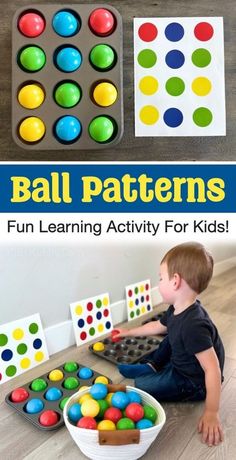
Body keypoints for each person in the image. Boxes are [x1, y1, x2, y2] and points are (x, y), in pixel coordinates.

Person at [113, 242, 225, 447]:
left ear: (175, 282)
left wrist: (211, 411)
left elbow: (213, 370)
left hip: (193, 380)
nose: (158, 283)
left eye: (160, 278)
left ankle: (158, 372)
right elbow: (158, 326)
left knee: (142, 386)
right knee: (170, 335)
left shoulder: (194, 326)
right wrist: (129, 332)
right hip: (184, 360)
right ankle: (152, 365)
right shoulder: (177, 308)